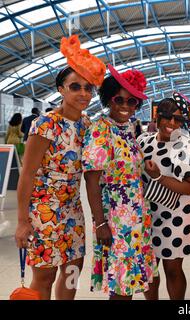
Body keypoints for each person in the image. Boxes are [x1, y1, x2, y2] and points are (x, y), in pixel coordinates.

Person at [14, 34, 106, 300]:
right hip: (43, 213)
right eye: (75, 87)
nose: (84, 93)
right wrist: (22, 222)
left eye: (89, 88)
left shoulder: (87, 125)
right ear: (61, 89)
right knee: (44, 277)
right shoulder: (45, 125)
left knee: (71, 274)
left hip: (73, 213)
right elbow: (27, 174)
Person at [82, 64, 157, 300]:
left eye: (132, 101)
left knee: (130, 282)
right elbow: (91, 180)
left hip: (136, 218)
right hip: (115, 219)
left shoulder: (126, 129)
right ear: (108, 99)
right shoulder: (101, 130)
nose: (125, 106)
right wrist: (100, 224)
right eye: (119, 100)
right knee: (121, 284)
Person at [138, 92, 190, 300]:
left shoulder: (189, 147)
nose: (172, 123)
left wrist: (157, 176)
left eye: (178, 119)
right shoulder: (143, 142)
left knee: (173, 268)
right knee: (149, 270)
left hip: (177, 216)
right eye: (167, 116)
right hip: (148, 215)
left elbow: (188, 188)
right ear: (157, 117)